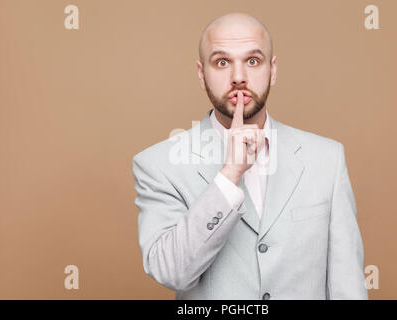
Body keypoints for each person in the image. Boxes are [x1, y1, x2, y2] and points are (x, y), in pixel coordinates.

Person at [132, 12, 368, 300]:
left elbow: (347, 286)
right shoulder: (158, 165)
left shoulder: (327, 159)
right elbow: (171, 271)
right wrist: (229, 174)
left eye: (253, 61)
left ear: (273, 69)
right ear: (201, 73)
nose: (239, 78)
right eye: (222, 62)